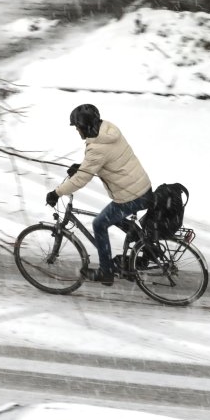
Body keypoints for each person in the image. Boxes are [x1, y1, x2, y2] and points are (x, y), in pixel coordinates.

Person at [46, 104, 153, 286]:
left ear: (85, 126)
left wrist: (57, 193)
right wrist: (82, 167)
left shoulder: (97, 147)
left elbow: (83, 178)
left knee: (99, 223)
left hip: (131, 195)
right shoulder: (107, 130)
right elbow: (106, 161)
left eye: (77, 127)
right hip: (141, 187)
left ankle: (106, 272)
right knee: (113, 217)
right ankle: (143, 245)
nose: (77, 131)